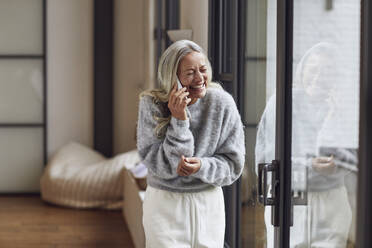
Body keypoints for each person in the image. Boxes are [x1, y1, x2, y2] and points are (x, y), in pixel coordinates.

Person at [137, 40, 245, 247]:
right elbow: (161, 165)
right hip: (164, 204)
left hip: (208, 202)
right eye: (190, 73)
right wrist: (179, 119)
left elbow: (233, 165)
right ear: (172, 77)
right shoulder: (151, 104)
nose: (199, 78)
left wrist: (202, 166)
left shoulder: (222, 103)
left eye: (203, 70)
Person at [255, 42, 353, 247]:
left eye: (328, 71)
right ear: (302, 71)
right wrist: (310, 166)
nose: (319, 77)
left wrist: (336, 115)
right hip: (291, 197)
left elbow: (353, 159)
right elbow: (270, 159)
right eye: (314, 69)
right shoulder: (281, 103)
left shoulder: (345, 108)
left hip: (332, 201)